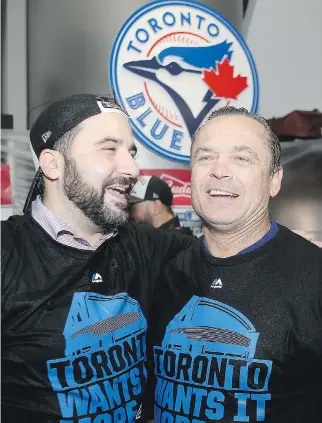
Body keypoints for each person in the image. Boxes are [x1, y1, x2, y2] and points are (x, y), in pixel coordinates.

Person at [1, 94, 193, 423]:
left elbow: (228, 258)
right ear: (53, 164)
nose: (132, 169)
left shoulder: (144, 246)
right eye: (109, 148)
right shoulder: (8, 255)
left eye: (131, 152)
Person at [148, 106, 322, 423]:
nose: (219, 170)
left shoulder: (314, 279)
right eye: (205, 157)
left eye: (241, 158)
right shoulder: (167, 272)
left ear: (274, 181)